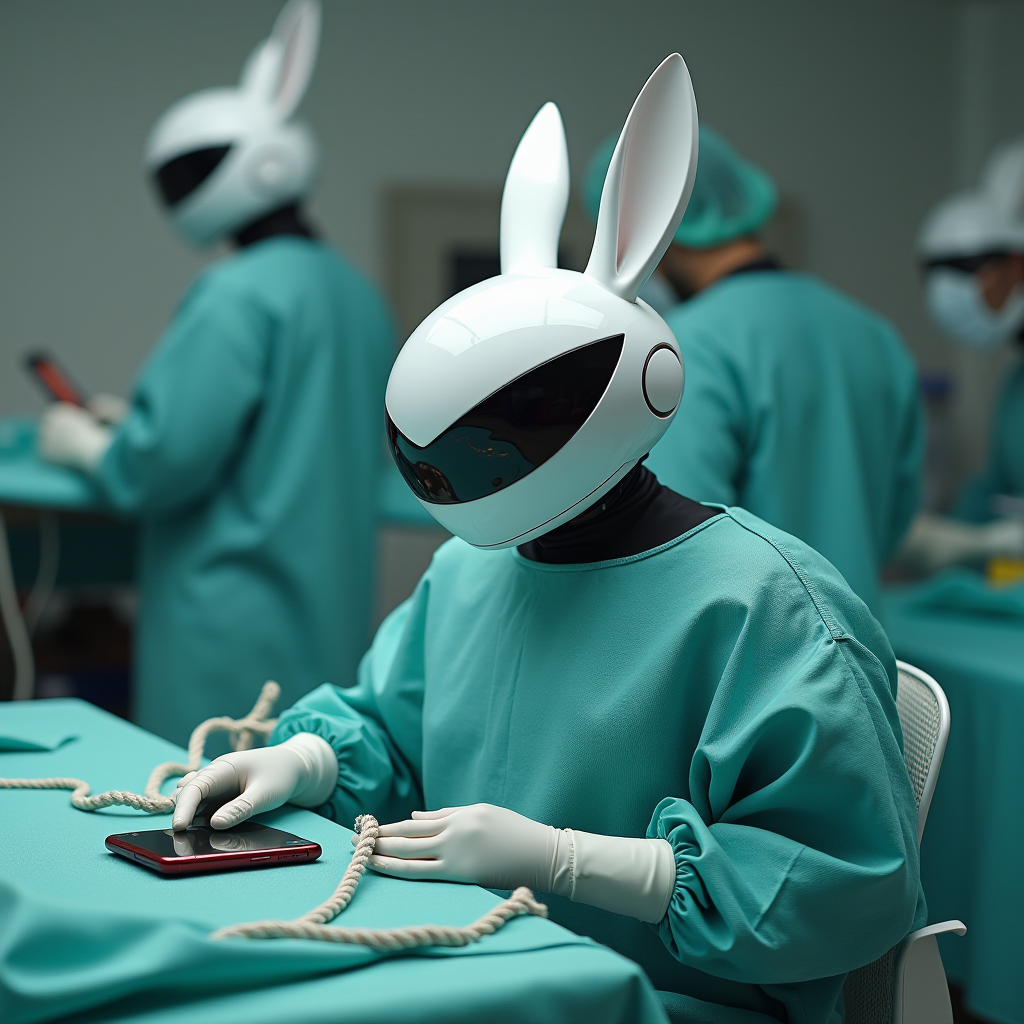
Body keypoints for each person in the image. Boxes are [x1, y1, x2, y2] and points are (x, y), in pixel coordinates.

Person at [173, 58, 924, 1024]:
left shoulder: (762, 605)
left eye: (491, 449)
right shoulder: (471, 570)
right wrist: (310, 763)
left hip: (659, 1001)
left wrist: (580, 863)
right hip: (467, 968)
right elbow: (391, 726)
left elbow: (845, 891)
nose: (461, 484)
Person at [38, 1, 394, 744]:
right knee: (310, 808)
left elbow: (160, 464)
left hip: (229, 624)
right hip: (328, 617)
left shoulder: (236, 293)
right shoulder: (352, 292)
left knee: (207, 815)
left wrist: (90, 444)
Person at [581, 127, 923, 617]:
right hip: (859, 656)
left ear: (649, 227)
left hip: (751, 665)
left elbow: (676, 547)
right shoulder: (874, 336)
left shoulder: (684, 346)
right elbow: (892, 522)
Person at [900, 141, 1024, 573]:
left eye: (970, 272)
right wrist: (945, 541)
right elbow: (994, 494)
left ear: (1016, 266)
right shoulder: (1014, 386)